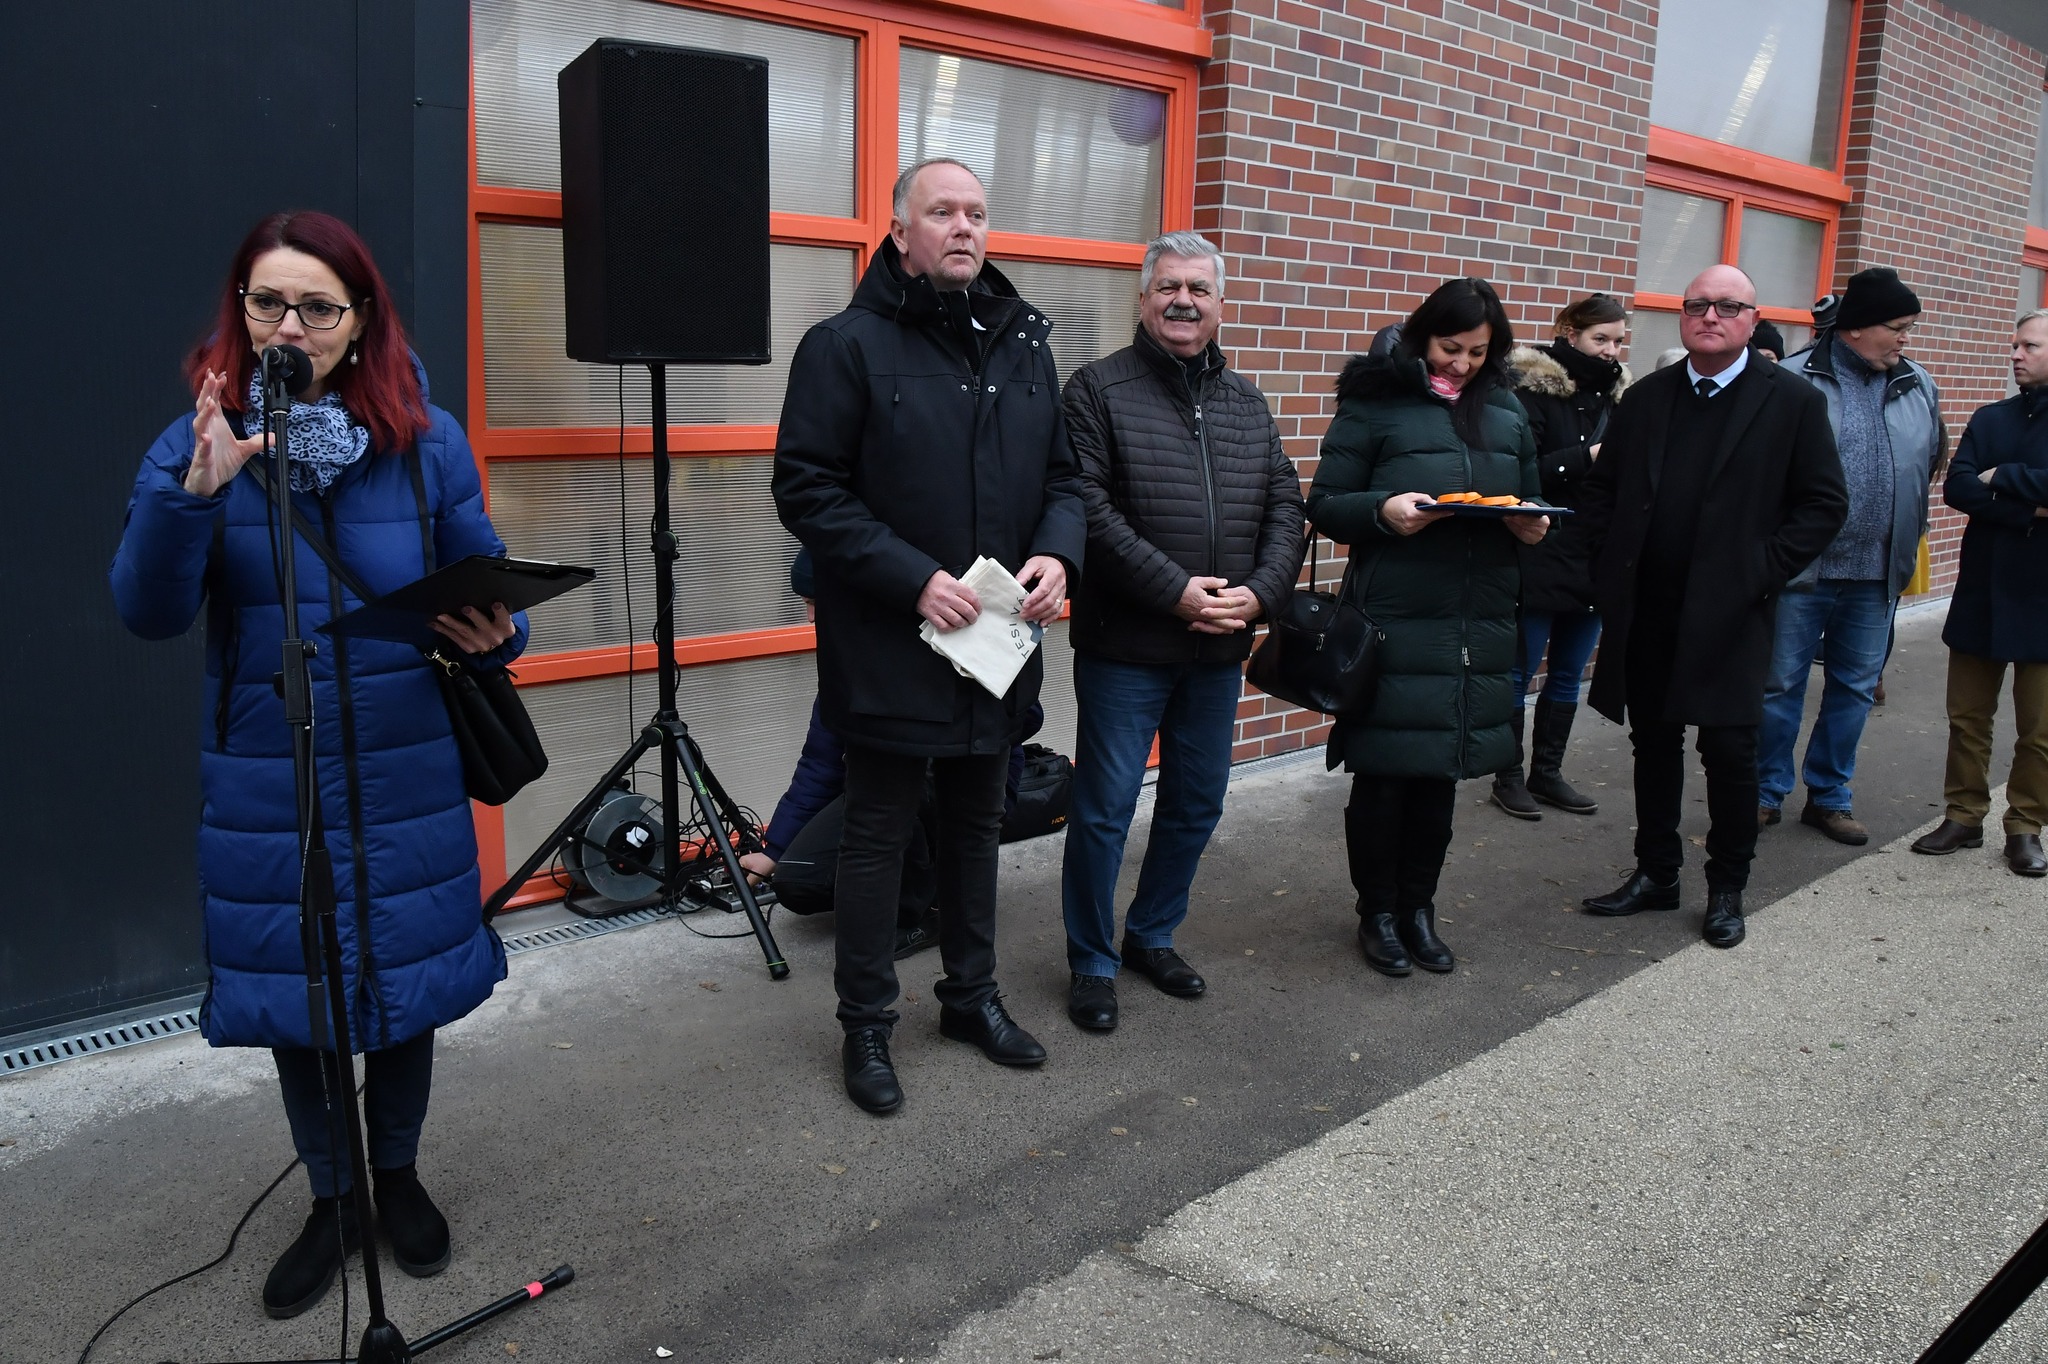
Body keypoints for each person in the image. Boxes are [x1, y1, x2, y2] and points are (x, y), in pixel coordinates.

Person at [109, 211, 522, 1318]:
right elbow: (146, 610)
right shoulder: (196, 440)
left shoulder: (426, 440)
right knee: (301, 992)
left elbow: (479, 577)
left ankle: (398, 1175)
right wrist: (191, 496)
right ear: (241, 310)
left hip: (403, 761)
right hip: (270, 772)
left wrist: (498, 628)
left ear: (361, 319)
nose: (288, 327)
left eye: (317, 307)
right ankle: (333, 1198)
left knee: (404, 983)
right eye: (267, 303)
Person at [772, 158, 1086, 1114]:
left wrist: (1057, 555)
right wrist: (912, 577)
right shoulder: (844, 345)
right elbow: (807, 489)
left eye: (977, 213)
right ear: (900, 231)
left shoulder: (1026, 344)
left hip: (997, 649)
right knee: (877, 837)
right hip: (889, 645)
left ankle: (970, 998)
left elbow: (1065, 480)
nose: (963, 227)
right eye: (942, 211)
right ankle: (867, 1025)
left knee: (977, 828)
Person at [1057, 231, 1304, 1032]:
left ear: (1220, 305)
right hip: (1126, 649)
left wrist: (1260, 595)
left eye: (1199, 289)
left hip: (1218, 648)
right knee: (1104, 809)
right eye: (1168, 287)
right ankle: (1092, 960)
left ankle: (1152, 935)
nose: (1183, 301)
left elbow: (1285, 507)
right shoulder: (1096, 391)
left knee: (1196, 803)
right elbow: (1086, 506)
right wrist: (1175, 592)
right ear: (1143, 299)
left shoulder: (1247, 404)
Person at [1574, 265, 1847, 948]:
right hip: (1649, 607)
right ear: (1682, 316)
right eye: (1698, 305)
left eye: (1728, 306)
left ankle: (1727, 887)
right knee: (1653, 744)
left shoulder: (1791, 402)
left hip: (1733, 610)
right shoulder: (1647, 397)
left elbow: (1823, 504)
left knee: (1729, 750)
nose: (1711, 316)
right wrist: (1610, 566)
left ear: (1753, 320)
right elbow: (1604, 492)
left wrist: (1762, 570)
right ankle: (1656, 873)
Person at [1308, 278, 1547, 977]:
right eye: (1450, 347)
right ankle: (1377, 913)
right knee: (1385, 778)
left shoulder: (1506, 409)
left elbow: (1531, 498)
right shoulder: (1375, 401)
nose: (1462, 364)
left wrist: (1533, 525)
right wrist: (1383, 511)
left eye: (1478, 352)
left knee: (1441, 778)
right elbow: (1325, 502)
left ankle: (1419, 908)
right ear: (1421, 336)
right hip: (1394, 624)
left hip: (1476, 623)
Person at [1759, 267, 1943, 845]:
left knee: (1855, 689)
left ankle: (1829, 796)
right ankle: (1763, 792)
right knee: (1778, 686)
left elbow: (1930, 460)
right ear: (1857, 327)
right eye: (1898, 327)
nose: (1905, 338)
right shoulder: (1792, 380)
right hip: (1800, 570)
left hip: (1876, 572)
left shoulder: (1917, 383)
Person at [1910, 309, 2048, 877]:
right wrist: (2031, 509)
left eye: (2030, 346)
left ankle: (2025, 826)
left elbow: (1984, 484)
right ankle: (1963, 815)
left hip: (2043, 597)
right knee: (1967, 717)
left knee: (2040, 729)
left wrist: (2003, 476)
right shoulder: (1991, 418)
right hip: (1984, 590)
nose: (2016, 354)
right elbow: (1959, 488)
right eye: (2015, 345)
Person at [1494, 293, 1630, 820]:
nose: (1610, 351)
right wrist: (1588, 457)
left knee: (1570, 672)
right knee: (1519, 670)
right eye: (1601, 339)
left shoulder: (1620, 398)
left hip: (1595, 551)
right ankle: (1507, 776)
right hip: (1541, 547)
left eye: (1618, 341)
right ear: (1570, 334)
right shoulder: (1530, 391)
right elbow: (1521, 473)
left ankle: (1547, 773)